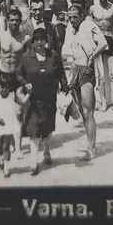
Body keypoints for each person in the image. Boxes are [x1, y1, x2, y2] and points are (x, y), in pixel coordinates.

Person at [17, 28, 69, 175]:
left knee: (47, 129)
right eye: (37, 39)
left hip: (49, 99)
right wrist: (24, 82)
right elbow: (18, 74)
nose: (40, 42)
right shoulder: (26, 57)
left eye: (42, 39)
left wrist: (65, 88)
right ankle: (34, 163)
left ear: (46, 41)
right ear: (33, 42)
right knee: (33, 130)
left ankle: (46, 150)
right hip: (33, 100)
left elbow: (61, 74)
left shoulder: (53, 56)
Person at [62, 0, 108, 161]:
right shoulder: (71, 28)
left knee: (88, 111)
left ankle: (92, 148)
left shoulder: (89, 25)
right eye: (69, 17)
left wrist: (92, 58)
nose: (71, 20)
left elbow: (103, 43)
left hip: (87, 70)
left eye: (74, 17)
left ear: (82, 16)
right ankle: (89, 142)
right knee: (81, 111)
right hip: (74, 69)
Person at [89, 0, 113, 111]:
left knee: (112, 74)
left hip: (110, 39)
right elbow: (89, 27)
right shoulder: (92, 9)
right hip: (98, 42)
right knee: (101, 76)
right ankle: (103, 102)